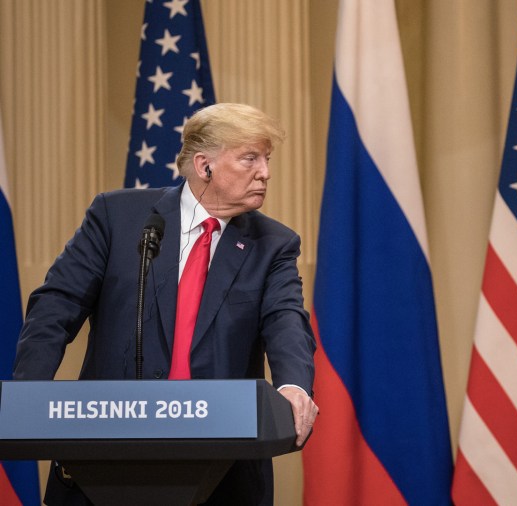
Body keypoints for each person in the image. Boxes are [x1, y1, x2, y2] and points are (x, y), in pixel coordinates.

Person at [13, 103, 318, 505]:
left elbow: (286, 321)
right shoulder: (117, 217)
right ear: (204, 165)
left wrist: (293, 386)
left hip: (222, 474)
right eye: (250, 158)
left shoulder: (274, 244)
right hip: (102, 464)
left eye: (267, 158)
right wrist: (27, 398)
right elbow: (56, 307)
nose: (266, 172)